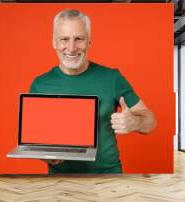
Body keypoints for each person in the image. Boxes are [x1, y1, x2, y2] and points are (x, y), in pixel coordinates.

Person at [29, 9, 156, 174]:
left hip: (107, 176)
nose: (71, 47)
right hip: (58, 178)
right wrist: (44, 155)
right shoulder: (40, 85)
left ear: (89, 42)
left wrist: (135, 122)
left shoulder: (112, 78)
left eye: (79, 39)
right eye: (64, 39)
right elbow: (34, 139)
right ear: (54, 42)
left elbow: (151, 122)